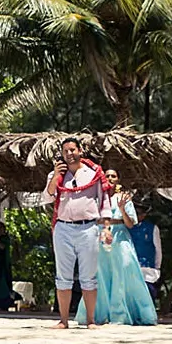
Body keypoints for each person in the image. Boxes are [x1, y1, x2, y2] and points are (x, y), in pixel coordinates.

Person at [40, 138, 112, 328]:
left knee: (88, 276)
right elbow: (47, 197)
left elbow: (104, 200)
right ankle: (63, 321)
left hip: (88, 227)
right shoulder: (56, 174)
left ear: (80, 151)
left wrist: (106, 227)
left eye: (72, 150)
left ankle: (90, 320)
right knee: (63, 276)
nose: (69, 154)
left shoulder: (94, 173)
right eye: (65, 151)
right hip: (63, 227)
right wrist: (56, 176)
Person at [85, 182, 157, 325]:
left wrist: (122, 209)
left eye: (113, 176)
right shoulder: (95, 197)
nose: (110, 179)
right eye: (107, 176)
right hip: (100, 236)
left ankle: (122, 313)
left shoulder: (124, 198)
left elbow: (130, 224)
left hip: (120, 236)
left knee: (123, 271)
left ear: (118, 180)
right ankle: (100, 313)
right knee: (101, 274)